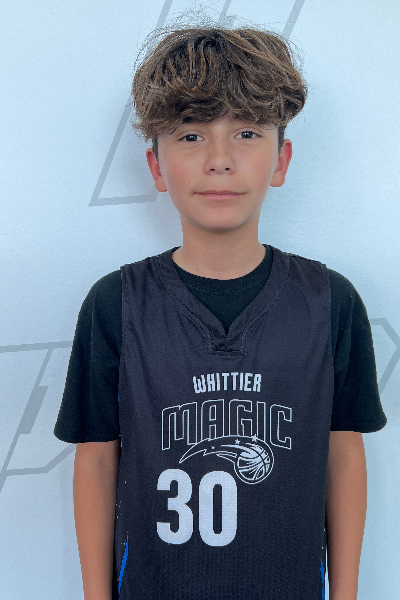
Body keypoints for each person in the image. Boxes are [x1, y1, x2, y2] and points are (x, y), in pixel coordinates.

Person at [54, 17, 387, 600]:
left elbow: (343, 453)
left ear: (281, 161)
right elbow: (98, 461)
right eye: (191, 136)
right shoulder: (116, 304)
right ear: (156, 167)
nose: (219, 159)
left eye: (247, 132)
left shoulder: (331, 302)